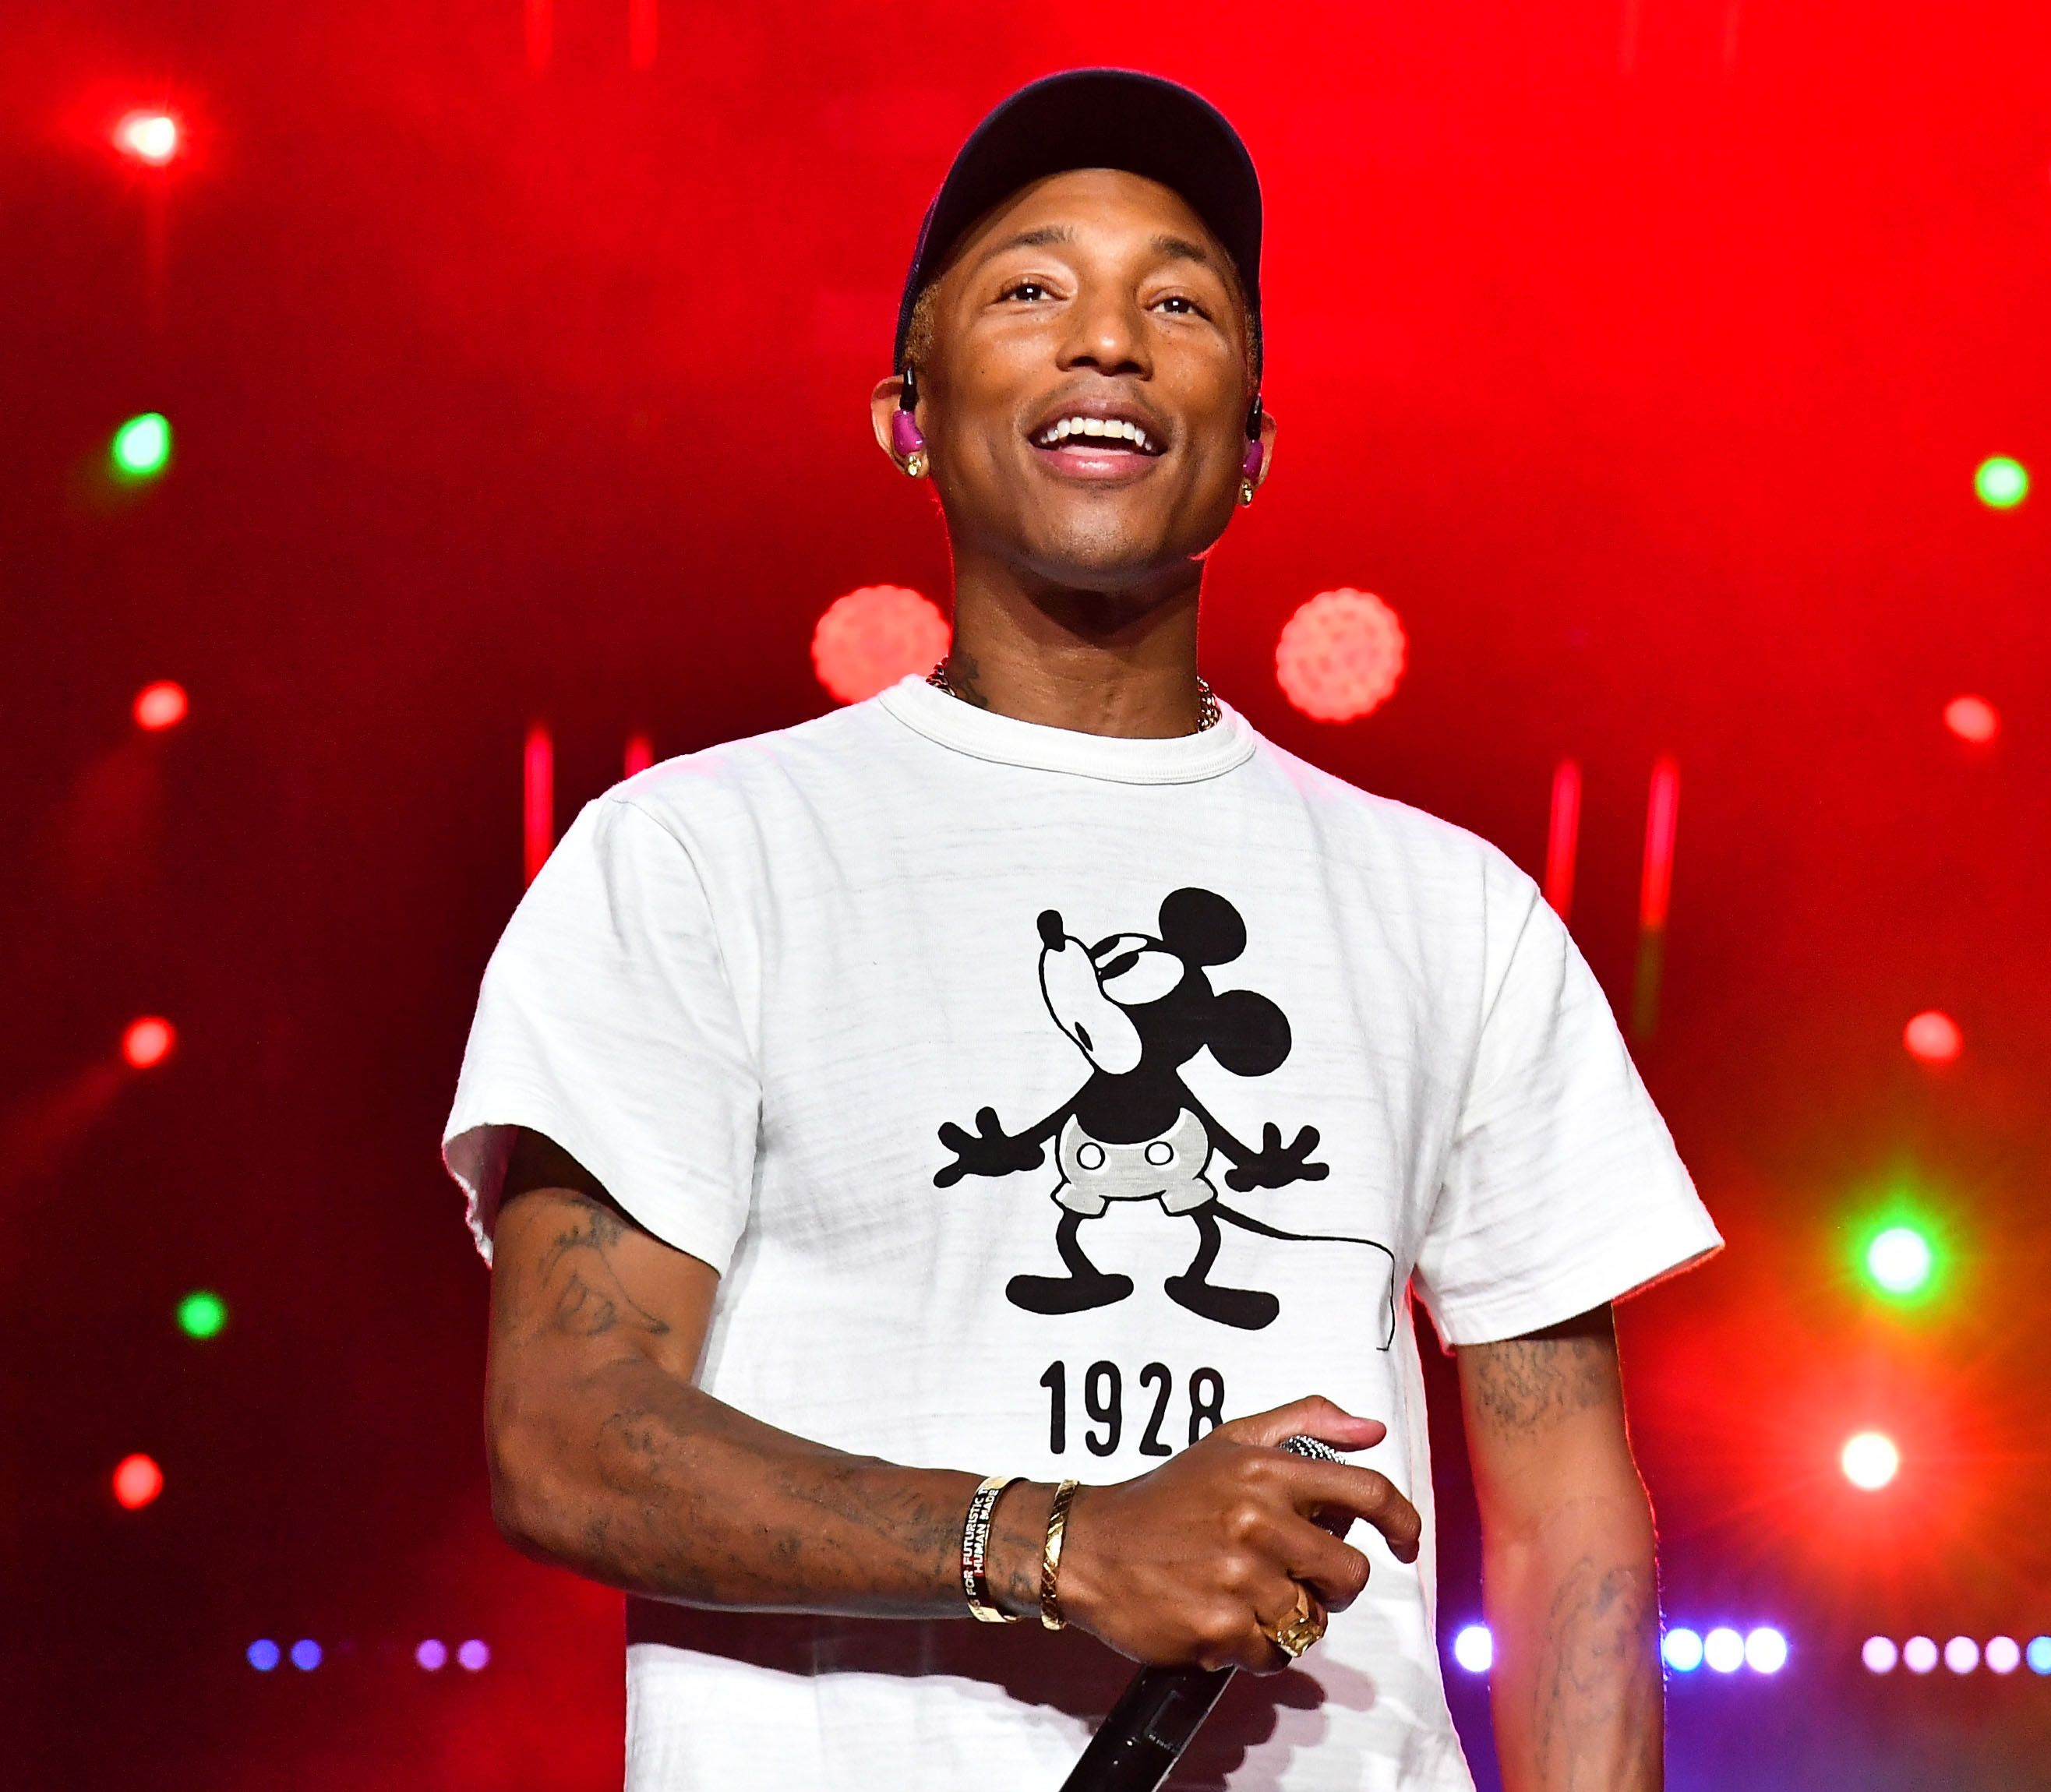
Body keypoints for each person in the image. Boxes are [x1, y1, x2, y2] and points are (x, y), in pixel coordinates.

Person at [443, 69, 1719, 1792]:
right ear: (906, 410)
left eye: (1178, 301)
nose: (1107, 340)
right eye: (1032, 289)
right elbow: (569, 1435)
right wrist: (1051, 1543)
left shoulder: (1452, 907)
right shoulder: (693, 856)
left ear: (1252, 446)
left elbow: (1573, 1520)